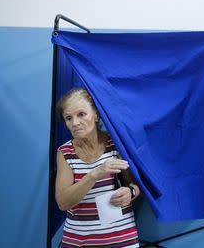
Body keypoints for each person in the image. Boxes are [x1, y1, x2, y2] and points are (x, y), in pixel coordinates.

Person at [55, 88, 140, 247]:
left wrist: (130, 192)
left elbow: (135, 185)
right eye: (68, 118)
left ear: (96, 115)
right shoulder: (65, 152)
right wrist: (96, 173)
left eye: (81, 114)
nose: (75, 123)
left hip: (122, 241)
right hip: (78, 242)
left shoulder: (117, 144)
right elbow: (63, 203)